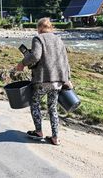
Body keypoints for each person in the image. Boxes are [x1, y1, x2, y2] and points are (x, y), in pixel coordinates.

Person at [16, 17, 72, 145]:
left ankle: (38, 131)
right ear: (51, 28)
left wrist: (22, 63)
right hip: (58, 80)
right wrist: (68, 79)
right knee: (53, 108)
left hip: (43, 79)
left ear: (39, 28)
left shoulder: (39, 38)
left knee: (34, 102)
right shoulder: (59, 40)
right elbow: (65, 61)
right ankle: (55, 137)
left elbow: (35, 56)